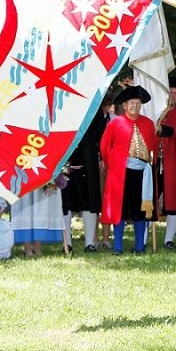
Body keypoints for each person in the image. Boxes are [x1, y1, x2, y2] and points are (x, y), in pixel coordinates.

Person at [99, 85, 158, 254]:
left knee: (141, 209)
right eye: (131, 103)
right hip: (121, 173)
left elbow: (153, 145)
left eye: (137, 103)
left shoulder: (147, 123)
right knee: (121, 210)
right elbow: (104, 146)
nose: (134, 106)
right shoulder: (115, 123)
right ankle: (118, 246)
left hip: (143, 173)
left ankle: (139, 246)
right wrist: (114, 164)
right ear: (124, 106)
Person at [62, 96, 109, 252]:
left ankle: (90, 243)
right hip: (64, 162)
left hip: (87, 162)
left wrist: (102, 156)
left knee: (89, 203)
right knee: (65, 204)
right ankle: (67, 243)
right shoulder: (59, 105)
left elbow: (102, 134)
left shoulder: (93, 107)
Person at [156, 77, 176, 249]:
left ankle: (169, 239)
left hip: (173, 161)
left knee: (173, 199)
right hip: (155, 159)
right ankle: (147, 236)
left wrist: (162, 129)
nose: (173, 96)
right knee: (150, 197)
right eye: (171, 93)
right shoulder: (156, 111)